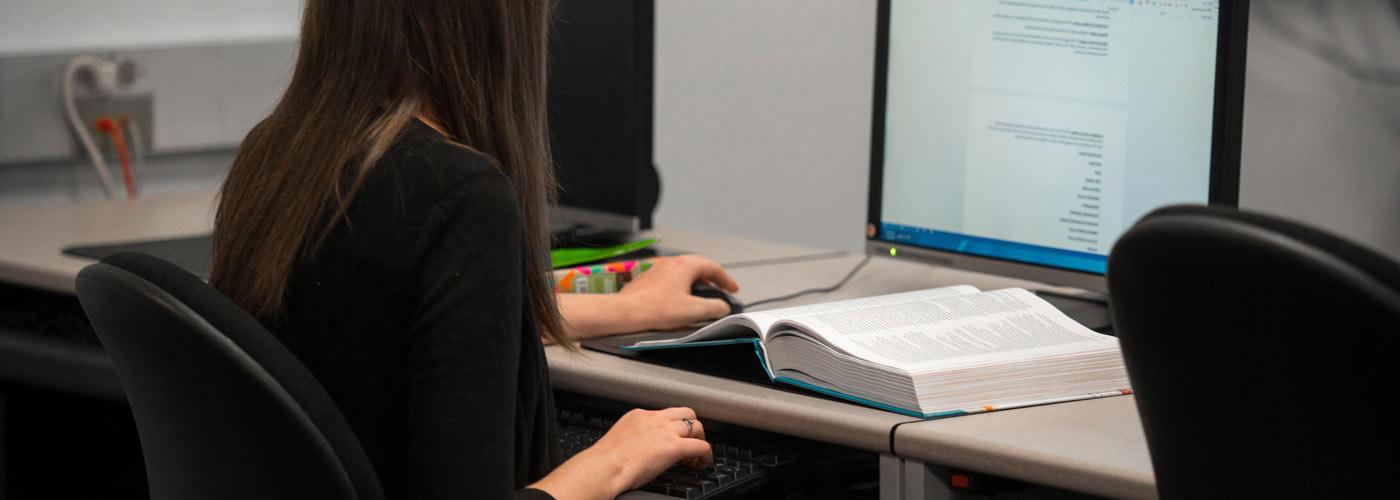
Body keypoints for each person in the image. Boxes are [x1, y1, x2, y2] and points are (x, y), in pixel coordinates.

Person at [207, 1, 739, 498]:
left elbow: (398, 327)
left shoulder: (274, 156)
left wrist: (627, 309)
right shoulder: (462, 195)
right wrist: (615, 460)